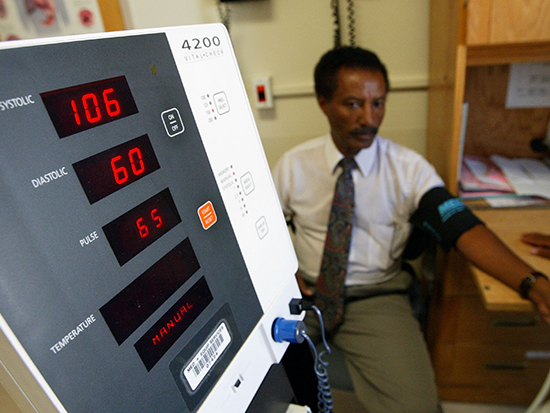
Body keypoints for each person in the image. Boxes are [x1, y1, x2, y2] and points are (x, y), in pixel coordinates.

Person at [272, 46, 550, 413]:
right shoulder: (294, 166)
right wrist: (286, 274)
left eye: (378, 103)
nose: (368, 119)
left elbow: (460, 226)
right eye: (353, 104)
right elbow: (266, 233)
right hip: (303, 296)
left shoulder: (408, 169)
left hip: (374, 297)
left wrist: (532, 283)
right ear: (323, 102)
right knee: (255, 389)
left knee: (419, 407)